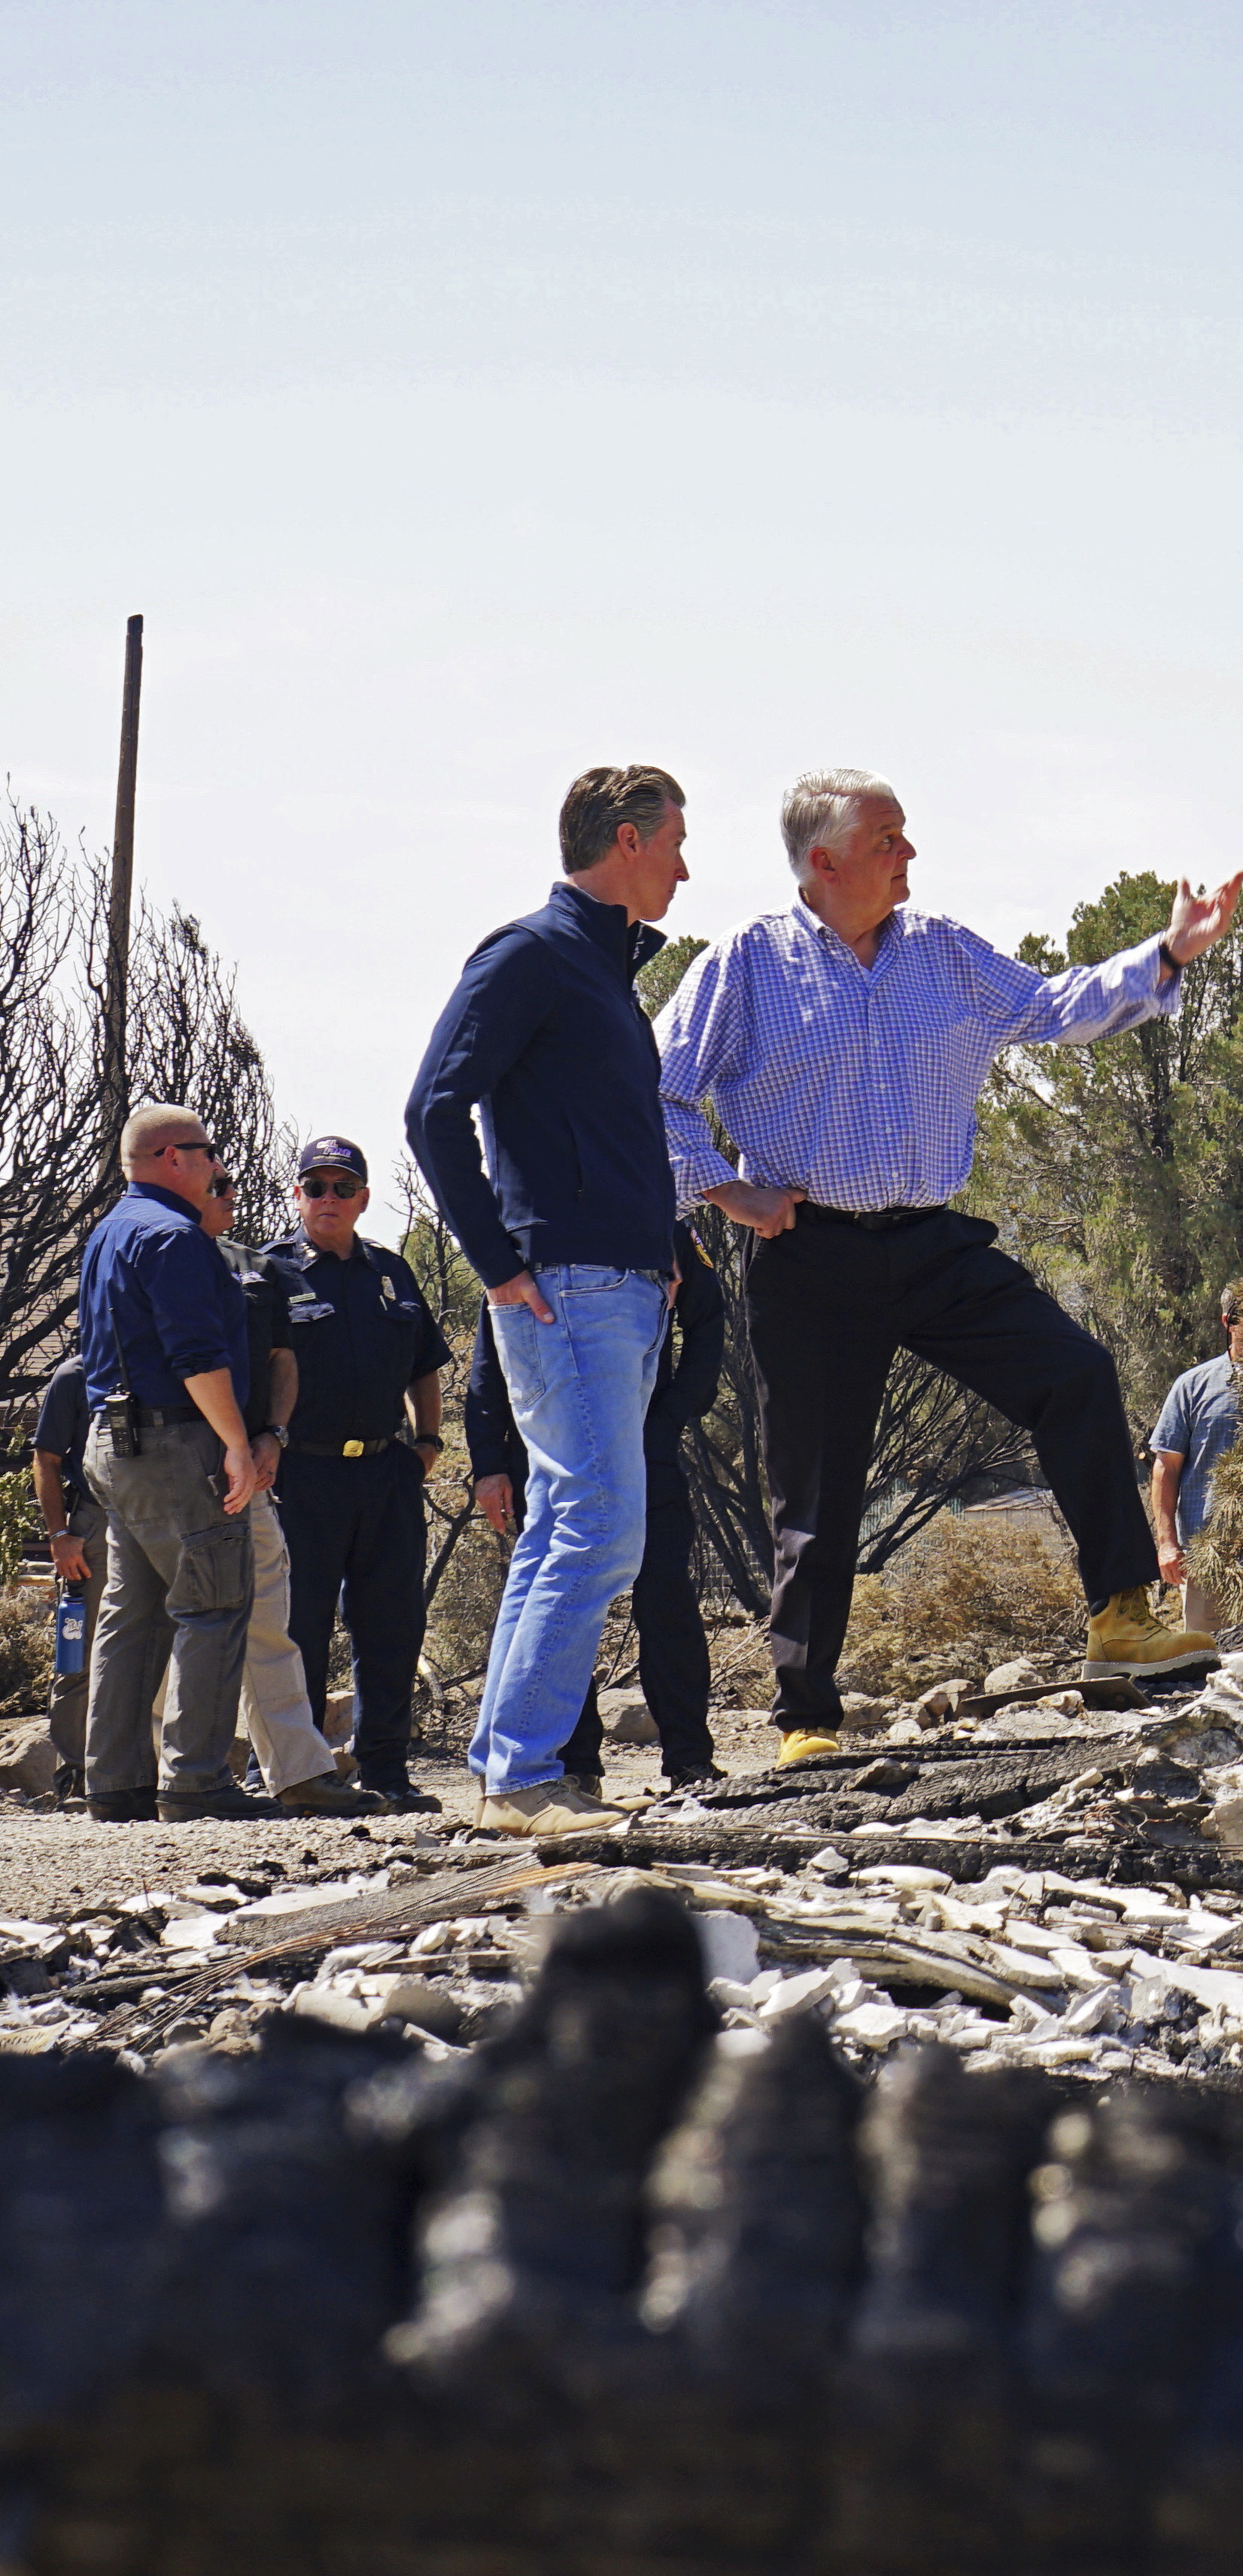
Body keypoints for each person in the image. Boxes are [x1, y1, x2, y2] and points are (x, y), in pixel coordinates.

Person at [654, 768, 1238, 1770]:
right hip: (807, 1252)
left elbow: (1052, 1004)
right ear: (823, 861)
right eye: (886, 839)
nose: (909, 853)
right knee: (818, 1491)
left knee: (1075, 1373)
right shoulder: (747, 962)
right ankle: (806, 1719)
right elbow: (657, 1094)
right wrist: (727, 1191)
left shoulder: (941, 951)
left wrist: (1169, 952)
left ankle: (1121, 1616)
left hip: (932, 1245)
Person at [404, 764, 693, 1839]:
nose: (684, 869)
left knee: (570, 1526)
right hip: (565, 1287)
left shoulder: (603, 972)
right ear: (627, 839)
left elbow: (611, 1135)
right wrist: (496, 1262)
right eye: (674, 845)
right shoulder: (528, 954)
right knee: (602, 1527)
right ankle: (522, 1776)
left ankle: (509, 1772)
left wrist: (663, 1247)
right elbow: (432, 1109)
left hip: (618, 1286)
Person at [464, 1220, 727, 1789]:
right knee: (557, 1598)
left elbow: (708, 1322)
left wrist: (668, 1417)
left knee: (666, 1599)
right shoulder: (520, 1233)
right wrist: (488, 1462)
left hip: (641, 1441)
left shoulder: (655, 1222)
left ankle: (688, 1757)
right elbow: (491, 1358)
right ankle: (572, 1766)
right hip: (545, 1450)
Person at [74, 1103, 265, 1822]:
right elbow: (196, 1357)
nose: (218, 1164)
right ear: (172, 1158)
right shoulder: (174, 1236)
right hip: (175, 1443)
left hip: (112, 1445)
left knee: (133, 1612)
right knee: (212, 1603)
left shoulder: (109, 1232)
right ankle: (195, 1782)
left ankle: (114, 1782)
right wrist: (237, 1443)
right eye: (208, 1151)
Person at [262, 1136, 450, 1808]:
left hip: (384, 1472)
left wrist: (426, 1442)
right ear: (297, 1195)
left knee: (392, 1624)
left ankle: (386, 1769)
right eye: (316, 1187)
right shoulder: (269, 1272)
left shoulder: (392, 1273)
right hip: (301, 1476)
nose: (329, 1199)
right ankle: (299, 1771)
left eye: (343, 1188)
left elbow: (424, 1365)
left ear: (363, 1199)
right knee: (298, 1628)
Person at [199, 1170, 384, 1816]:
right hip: (180, 1461)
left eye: (229, 1180)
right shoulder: (154, 1252)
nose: (230, 1191)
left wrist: (269, 1435)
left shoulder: (257, 1269)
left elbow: (282, 1357)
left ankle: (299, 1774)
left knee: (271, 1624)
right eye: (215, 1182)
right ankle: (174, 1778)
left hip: (256, 1465)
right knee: (179, 1623)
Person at [1147, 1279, 1243, 1638]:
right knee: (1208, 1662)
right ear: (1227, 1322)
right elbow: (1166, 1468)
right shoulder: (1192, 1386)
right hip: (1210, 1564)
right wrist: (1167, 1544)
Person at [32, 1352, 92, 1801]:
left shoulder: (172, 1361)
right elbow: (46, 1459)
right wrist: (59, 1535)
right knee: (78, 1655)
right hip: (93, 1526)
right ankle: (74, 1776)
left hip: (165, 1521)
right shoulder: (74, 1375)